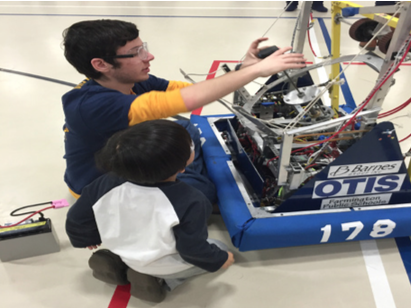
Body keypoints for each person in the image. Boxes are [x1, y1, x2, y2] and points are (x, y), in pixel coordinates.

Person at [61, 19, 307, 202]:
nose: (149, 56)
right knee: (203, 193)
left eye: (143, 47)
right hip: (101, 185)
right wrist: (254, 72)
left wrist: (242, 69)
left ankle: (183, 176)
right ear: (101, 64)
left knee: (184, 128)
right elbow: (186, 101)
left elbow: (193, 91)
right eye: (137, 53)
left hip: (130, 155)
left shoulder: (131, 81)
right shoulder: (91, 105)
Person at [65, 119, 235, 301]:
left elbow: (76, 217)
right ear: (182, 165)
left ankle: (118, 263)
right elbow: (192, 250)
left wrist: (85, 238)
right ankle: (161, 280)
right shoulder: (192, 199)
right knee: (220, 247)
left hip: (122, 248)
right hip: (164, 263)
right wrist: (220, 259)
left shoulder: (105, 182)